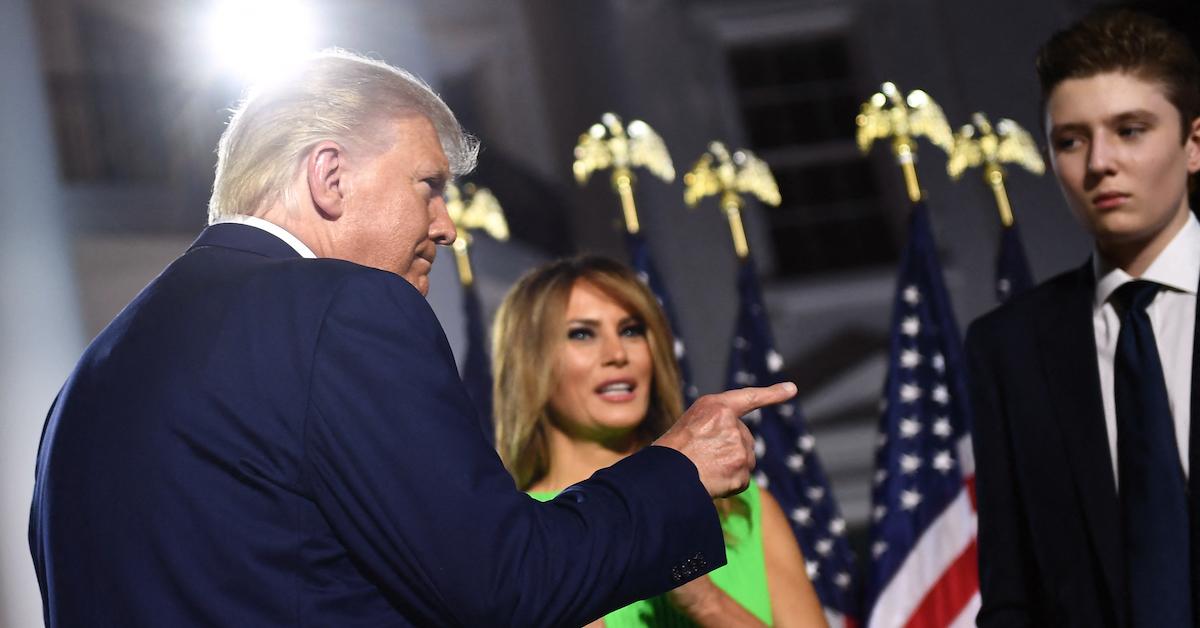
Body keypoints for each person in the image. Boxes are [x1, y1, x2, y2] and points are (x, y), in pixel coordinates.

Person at [27, 50, 798, 627]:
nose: (447, 226)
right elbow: (504, 585)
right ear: (329, 176)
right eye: (428, 186)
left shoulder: (86, 384)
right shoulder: (342, 306)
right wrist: (677, 469)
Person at [966, 7, 1200, 627]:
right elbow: (1012, 595)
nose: (1099, 162)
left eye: (1130, 130)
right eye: (1072, 140)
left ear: (1194, 143)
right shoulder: (1008, 349)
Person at [491, 256, 828, 628]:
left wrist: (707, 603)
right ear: (529, 361)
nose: (617, 355)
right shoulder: (521, 538)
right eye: (582, 334)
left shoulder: (744, 510)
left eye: (632, 330)